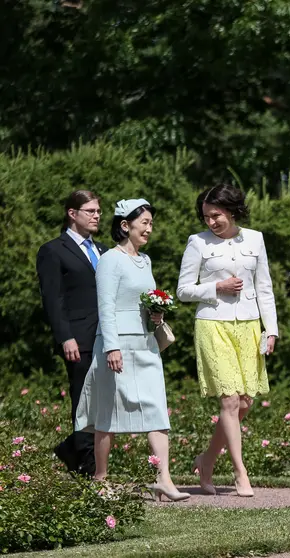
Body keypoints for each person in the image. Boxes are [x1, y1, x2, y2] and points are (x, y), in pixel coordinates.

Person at [75, 198, 189, 501]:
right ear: (125, 225)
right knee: (107, 414)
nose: (149, 229)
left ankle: (164, 479)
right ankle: (100, 480)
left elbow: (145, 298)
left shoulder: (146, 260)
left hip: (145, 344)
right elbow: (106, 306)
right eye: (145, 223)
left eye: (151, 223)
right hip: (117, 345)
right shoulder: (110, 259)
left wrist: (157, 314)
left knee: (156, 408)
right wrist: (111, 347)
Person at [176, 183, 278, 497]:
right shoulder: (197, 243)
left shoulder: (256, 239)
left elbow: (265, 288)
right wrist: (216, 287)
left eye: (216, 215)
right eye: (206, 217)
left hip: (249, 326)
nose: (211, 222)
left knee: (245, 402)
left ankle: (206, 461)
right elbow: (183, 290)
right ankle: (239, 473)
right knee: (229, 401)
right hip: (213, 325)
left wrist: (270, 329)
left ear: (231, 210)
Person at [36, 190, 107, 476]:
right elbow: (52, 299)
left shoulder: (103, 250)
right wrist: (65, 336)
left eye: (98, 211)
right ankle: (86, 466)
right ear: (72, 213)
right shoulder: (53, 250)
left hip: (106, 337)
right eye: (90, 211)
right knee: (84, 401)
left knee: (105, 400)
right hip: (77, 338)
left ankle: (71, 448)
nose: (96, 216)